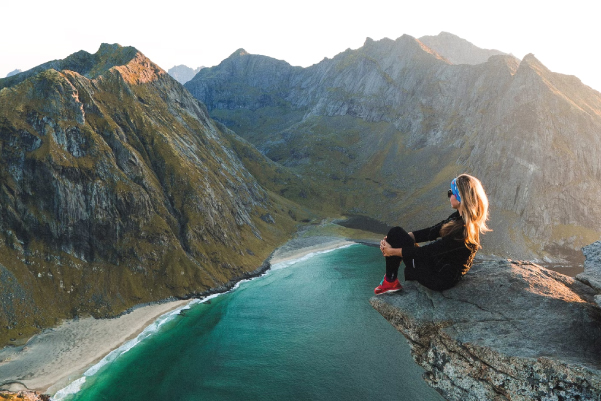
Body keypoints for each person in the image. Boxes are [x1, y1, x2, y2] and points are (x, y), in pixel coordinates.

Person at [375, 174, 490, 294]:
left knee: (398, 237)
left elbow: (426, 252)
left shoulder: (462, 232)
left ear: (460, 197)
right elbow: (431, 232)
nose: (449, 196)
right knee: (396, 233)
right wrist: (396, 239)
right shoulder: (458, 218)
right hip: (437, 265)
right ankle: (390, 281)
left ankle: (390, 281)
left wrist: (392, 251)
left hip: (439, 278)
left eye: (451, 193)